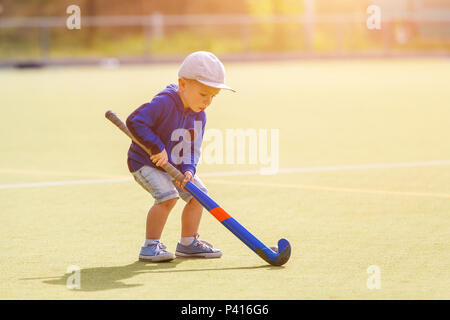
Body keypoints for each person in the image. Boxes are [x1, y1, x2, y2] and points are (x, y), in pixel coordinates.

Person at [126, 51, 235, 262]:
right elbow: (135, 121)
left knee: (199, 195)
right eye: (204, 94)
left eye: (213, 96)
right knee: (168, 196)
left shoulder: (199, 115)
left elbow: (191, 148)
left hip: (174, 165)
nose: (208, 101)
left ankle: (188, 243)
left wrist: (188, 169)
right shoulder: (164, 103)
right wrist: (156, 147)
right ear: (182, 84)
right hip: (145, 162)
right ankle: (150, 246)